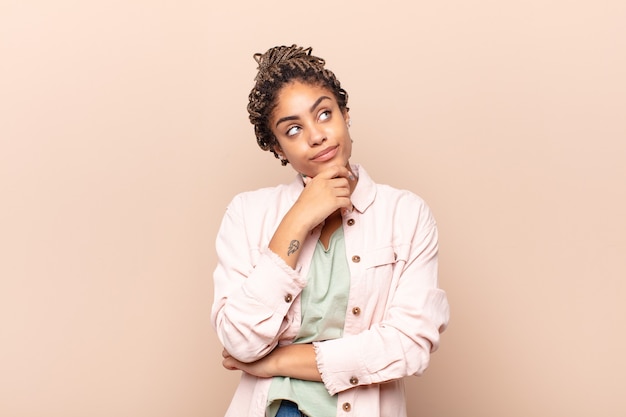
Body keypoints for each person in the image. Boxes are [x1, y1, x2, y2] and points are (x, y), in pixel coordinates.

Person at [211, 44, 450, 417]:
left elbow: (408, 345)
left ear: (346, 115)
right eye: (293, 129)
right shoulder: (246, 213)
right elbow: (240, 340)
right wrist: (299, 217)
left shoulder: (405, 215)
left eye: (324, 113)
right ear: (277, 147)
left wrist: (275, 363)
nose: (316, 136)